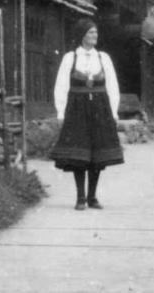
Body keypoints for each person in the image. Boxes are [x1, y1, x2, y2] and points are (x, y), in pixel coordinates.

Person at [49, 18, 123, 210]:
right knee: (79, 154)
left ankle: (92, 196)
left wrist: (113, 111)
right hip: (76, 109)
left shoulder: (103, 58)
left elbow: (112, 86)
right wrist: (61, 112)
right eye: (90, 32)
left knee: (97, 154)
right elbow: (61, 86)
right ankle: (80, 197)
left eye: (96, 32)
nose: (94, 36)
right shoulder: (70, 57)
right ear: (82, 35)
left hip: (100, 109)